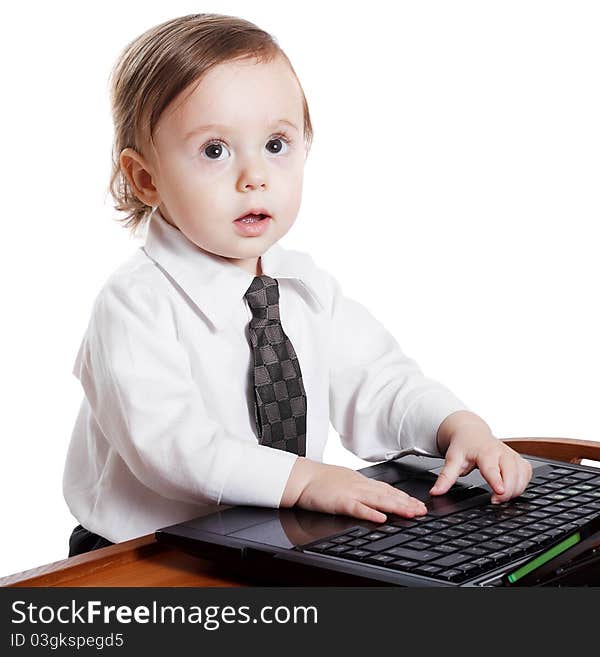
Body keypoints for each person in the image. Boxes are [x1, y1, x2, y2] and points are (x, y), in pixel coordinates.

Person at [63, 13, 532, 558]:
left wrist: (457, 427)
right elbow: (174, 446)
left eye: (276, 144)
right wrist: (306, 481)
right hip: (144, 552)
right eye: (215, 150)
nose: (253, 176)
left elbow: (378, 382)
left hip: (269, 536)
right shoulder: (136, 303)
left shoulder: (304, 287)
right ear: (146, 178)